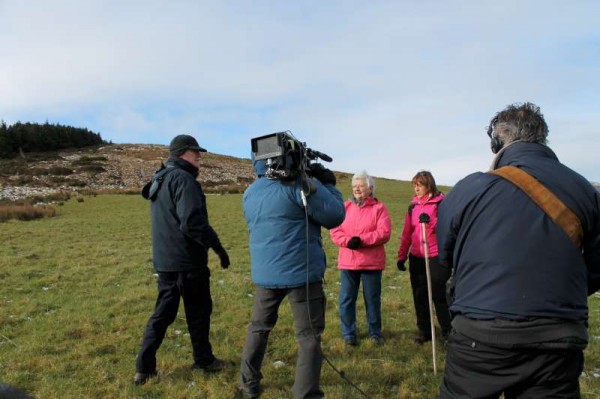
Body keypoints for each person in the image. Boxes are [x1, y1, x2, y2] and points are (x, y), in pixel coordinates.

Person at [436, 102, 600, 398]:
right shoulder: (586, 190)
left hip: (479, 334)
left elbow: (445, 255)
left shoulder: (470, 188)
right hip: (557, 338)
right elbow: (598, 267)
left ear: (498, 141)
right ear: (542, 139)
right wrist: (554, 293)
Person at [238, 159, 345, 399]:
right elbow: (335, 216)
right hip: (302, 274)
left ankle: (247, 383)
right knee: (308, 336)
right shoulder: (299, 185)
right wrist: (327, 184)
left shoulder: (251, 191)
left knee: (258, 328)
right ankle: (305, 394)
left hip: (266, 273)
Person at [134, 134, 231, 385]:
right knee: (199, 313)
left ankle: (143, 368)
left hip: (165, 262)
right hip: (187, 263)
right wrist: (218, 247)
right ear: (180, 154)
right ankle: (204, 360)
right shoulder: (184, 179)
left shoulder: (161, 177)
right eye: (194, 151)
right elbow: (192, 223)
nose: (199, 156)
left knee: (162, 314)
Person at [329, 171, 391, 346]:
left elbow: (384, 233)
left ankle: (375, 333)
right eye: (354, 185)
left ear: (370, 188)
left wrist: (361, 241)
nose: (357, 188)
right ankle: (348, 334)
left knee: (372, 299)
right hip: (349, 262)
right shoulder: (345, 207)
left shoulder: (379, 208)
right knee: (347, 299)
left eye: (361, 185)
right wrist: (348, 242)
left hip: (372, 263)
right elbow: (335, 230)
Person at [396, 171, 452, 344]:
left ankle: (448, 331)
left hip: (436, 255)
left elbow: (448, 227)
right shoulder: (412, 206)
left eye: (419, 185)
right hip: (417, 256)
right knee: (420, 295)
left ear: (429, 185)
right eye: (414, 185)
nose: (416, 188)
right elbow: (407, 232)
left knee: (438, 294)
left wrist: (430, 222)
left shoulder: (441, 203)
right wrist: (402, 256)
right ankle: (425, 330)